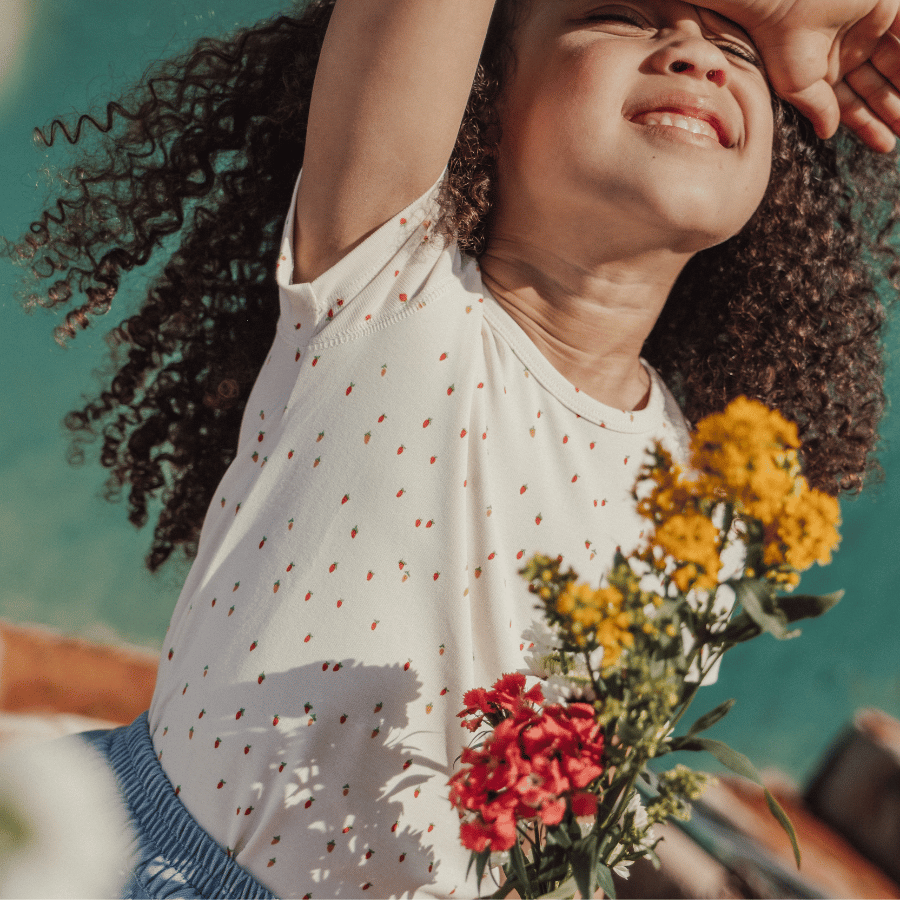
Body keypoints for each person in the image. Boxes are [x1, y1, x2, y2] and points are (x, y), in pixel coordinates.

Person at [11, 0, 900, 896]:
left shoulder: (710, 509)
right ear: (485, 85)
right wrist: (778, 8)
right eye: (620, 15)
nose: (692, 54)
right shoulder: (387, 286)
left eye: (736, 49)